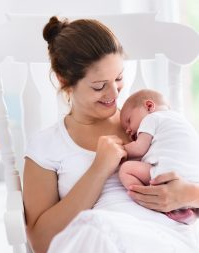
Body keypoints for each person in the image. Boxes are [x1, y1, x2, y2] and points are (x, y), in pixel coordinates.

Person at [23, 16, 199, 253]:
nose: (114, 93)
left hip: (165, 240)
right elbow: (42, 243)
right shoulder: (46, 146)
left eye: (118, 78)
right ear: (64, 80)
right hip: (98, 242)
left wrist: (188, 194)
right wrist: (98, 169)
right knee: (99, 230)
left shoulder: (150, 121)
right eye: (99, 85)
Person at [119, 89, 199, 225]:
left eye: (129, 120)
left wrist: (120, 149)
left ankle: (146, 197)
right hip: (192, 180)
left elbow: (139, 149)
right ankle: (189, 212)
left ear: (149, 106)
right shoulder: (182, 120)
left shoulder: (152, 118)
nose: (127, 130)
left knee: (126, 169)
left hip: (166, 174)